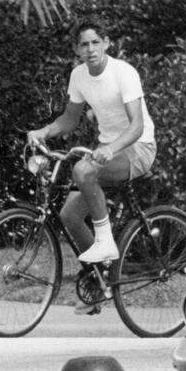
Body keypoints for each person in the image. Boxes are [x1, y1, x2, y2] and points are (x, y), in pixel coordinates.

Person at [27, 20, 156, 267]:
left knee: (83, 170)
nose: (90, 49)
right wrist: (43, 131)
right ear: (77, 50)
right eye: (84, 45)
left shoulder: (123, 72)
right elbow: (69, 119)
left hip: (139, 148)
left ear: (106, 43)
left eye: (95, 42)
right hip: (108, 152)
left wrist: (110, 149)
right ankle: (103, 274)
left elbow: (137, 126)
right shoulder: (78, 75)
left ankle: (105, 242)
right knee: (69, 216)